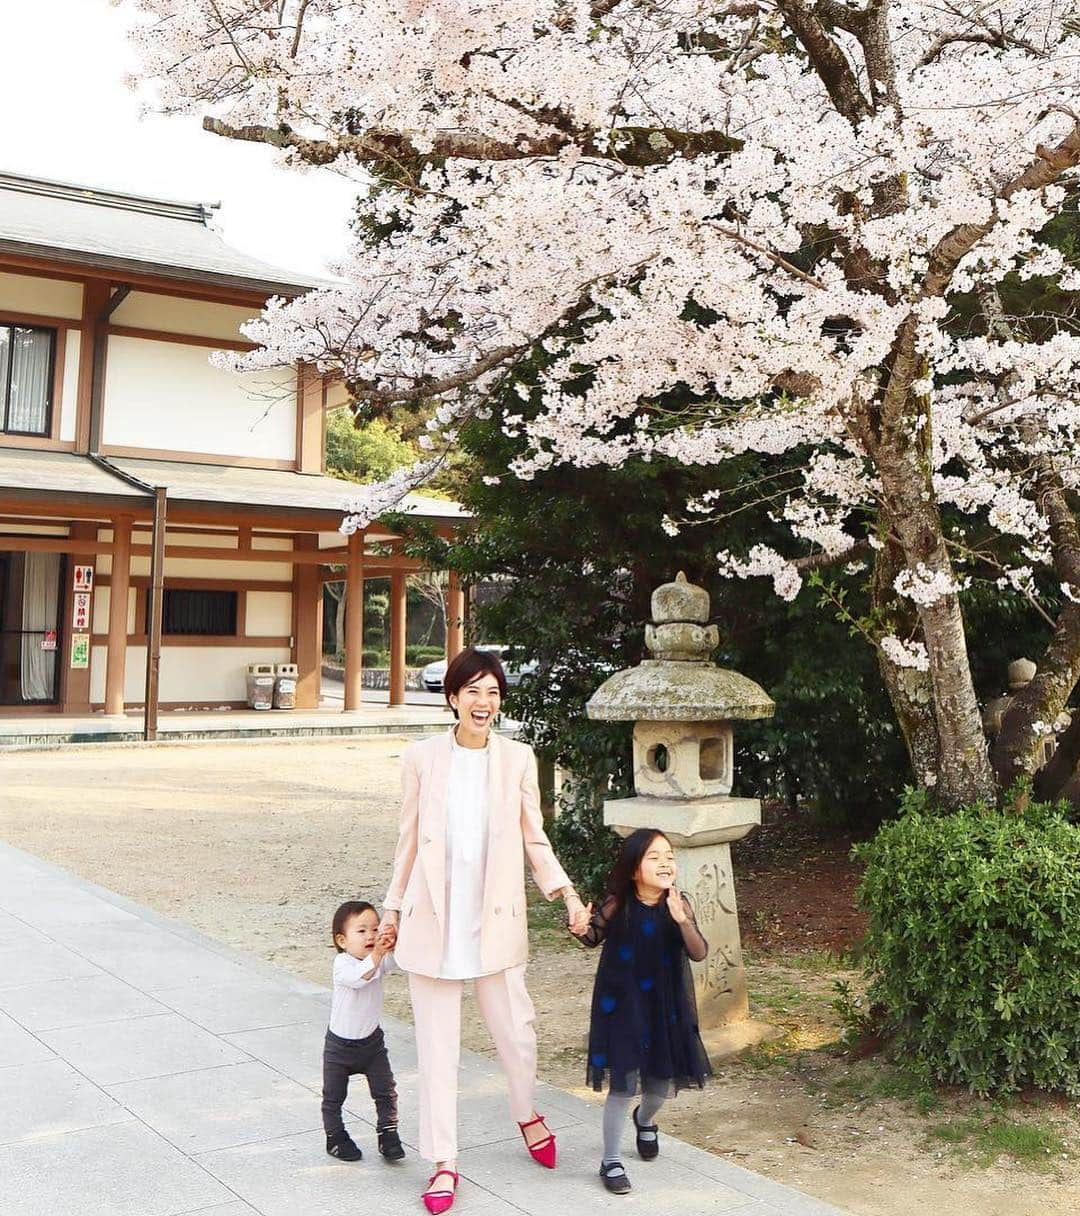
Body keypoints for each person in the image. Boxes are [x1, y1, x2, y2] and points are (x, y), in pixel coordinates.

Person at [377, 646, 590, 1214]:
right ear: (451, 698)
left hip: (494, 922)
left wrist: (566, 894)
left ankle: (526, 1111)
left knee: (517, 1034)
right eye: (472, 690)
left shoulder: (517, 759)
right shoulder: (421, 758)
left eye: (492, 691)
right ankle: (444, 1161)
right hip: (434, 924)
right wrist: (392, 910)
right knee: (437, 1049)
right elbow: (407, 842)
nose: (483, 701)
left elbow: (534, 838)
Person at [570, 829, 711, 1194]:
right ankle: (611, 1160)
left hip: (665, 1006)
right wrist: (579, 926)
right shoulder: (619, 903)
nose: (665, 863)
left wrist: (682, 920)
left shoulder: (679, 904)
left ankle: (644, 1120)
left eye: (669, 856)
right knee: (623, 1083)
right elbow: (591, 938)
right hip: (621, 1004)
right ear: (634, 869)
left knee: (659, 1086)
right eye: (654, 857)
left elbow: (699, 952)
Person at [321, 900, 405, 1164]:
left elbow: (400, 960)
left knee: (386, 1090)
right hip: (339, 1047)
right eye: (361, 931)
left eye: (375, 928)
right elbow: (359, 978)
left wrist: (396, 939)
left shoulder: (379, 959)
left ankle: (388, 1133)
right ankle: (335, 1137)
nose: (370, 935)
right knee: (334, 1096)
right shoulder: (342, 964)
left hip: (372, 1045)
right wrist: (378, 955)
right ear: (342, 940)